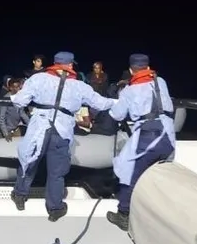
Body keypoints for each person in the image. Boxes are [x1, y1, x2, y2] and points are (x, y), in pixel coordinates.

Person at [9, 51, 117, 221]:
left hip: (39, 128)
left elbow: (19, 101)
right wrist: (117, 102)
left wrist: (14, 96)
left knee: (29, 161)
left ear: (55, 63)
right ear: (71, 65)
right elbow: (100, 103)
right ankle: (55, 208)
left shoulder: (38, 79)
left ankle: (20, 195)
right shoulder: (79, 86)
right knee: (56, 172)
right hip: (61, 131)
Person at [106, 53, 176, 231]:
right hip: (168, 136)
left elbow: (117, 115)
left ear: (131, 70)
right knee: (158, 176)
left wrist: (120, 95)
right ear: (148, 67)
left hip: (147, 138)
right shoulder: (161, 82)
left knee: (128, 172)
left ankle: (123, 214)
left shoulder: (129, 90)